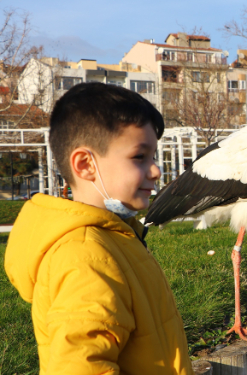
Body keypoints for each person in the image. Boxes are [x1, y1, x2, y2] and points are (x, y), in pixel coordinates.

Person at [3, 83, 194, 374]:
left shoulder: (114, 236)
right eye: (139, 157)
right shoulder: (85, 258)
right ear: (85, 164)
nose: (156, 170)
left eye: (153, 157)